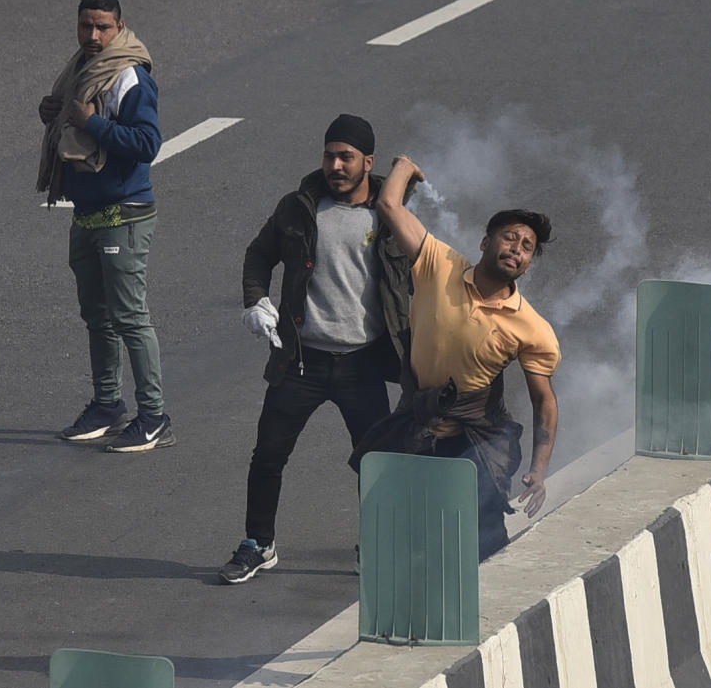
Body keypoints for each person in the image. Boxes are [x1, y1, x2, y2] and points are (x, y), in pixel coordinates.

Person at [219, 115, 411, 585]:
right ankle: (258, 544)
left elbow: (428, 268)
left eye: (346, 157)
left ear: (367, 162)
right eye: (329, 155)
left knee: (376, 463)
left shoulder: (390, 216)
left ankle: (377, 545)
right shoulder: (299, 208)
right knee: (268, 455)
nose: (335, 165)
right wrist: (254, 300)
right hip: (300, 360)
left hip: (363, 364)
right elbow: (258, 253)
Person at [349, 154, 560, 561]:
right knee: (396, 525)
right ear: (486, 242)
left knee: (485, 540)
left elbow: (544, 401)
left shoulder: (532, 328)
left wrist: (539, 468)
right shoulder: (438, 264)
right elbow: (389, 206)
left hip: (475, 442)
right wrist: (405, 168)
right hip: (416, 425)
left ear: (528, 265)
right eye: (510, 237)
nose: (516, 249)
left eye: (527, 247)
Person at [37, 0, 173, 453]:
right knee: (97, 316)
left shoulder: (130, 77)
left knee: (130, 318)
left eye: (102, 27)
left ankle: (154, 417)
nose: (92, 36)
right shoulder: (80, 70)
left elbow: (147, 143)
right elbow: (73, 126)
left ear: (119, 27)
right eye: (85, 26)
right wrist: (54, 118)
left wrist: (91, 124)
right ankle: (108, 404)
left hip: (125, 215)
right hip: (88, 214)